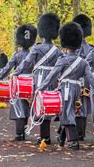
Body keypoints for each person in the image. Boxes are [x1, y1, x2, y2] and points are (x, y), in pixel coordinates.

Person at [38, 22, 94, 151]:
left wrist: (41, 88)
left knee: (66, 114)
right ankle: (62, 136)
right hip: (77, 88)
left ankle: (73, 141)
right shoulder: (82, 61)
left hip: (66, 88)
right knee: (69, 111)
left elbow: (52, 76)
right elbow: (91, 78)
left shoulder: (62, 59)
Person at [14, 13, 62, 145]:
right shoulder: (57, 50)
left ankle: (43, 136)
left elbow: (26, 63)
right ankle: (46, 136)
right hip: (52, 79)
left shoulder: (36, 48)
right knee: (48, 105)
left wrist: (16, 73)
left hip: (39, 78)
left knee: (39, 106)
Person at [0, 24, 38, 141]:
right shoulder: (33, 55)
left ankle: (19, 134)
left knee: (18, 107)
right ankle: (24, 130)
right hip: (31, 82)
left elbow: (7, 68)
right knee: (28, 106)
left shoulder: (17, 55)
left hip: (18, 83)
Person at [72, 14, 94, 141]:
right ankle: (81, 133)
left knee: (73, 103)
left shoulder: (71, 47)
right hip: (85, 79)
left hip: (74, 78)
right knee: (84, 104)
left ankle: (75, 132)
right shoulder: (91, 49)